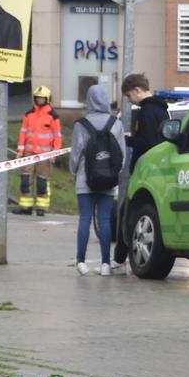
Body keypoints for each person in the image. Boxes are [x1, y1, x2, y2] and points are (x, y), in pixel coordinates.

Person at [117, 74, 170, 268]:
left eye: (129, 96)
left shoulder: (146, 112)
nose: (130, 100)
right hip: (160, 169)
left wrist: (127, 140)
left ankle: (119, 258)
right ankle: (122, 257)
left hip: (145, 169)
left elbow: (147, 141)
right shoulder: (163, 110)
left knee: (127, 213)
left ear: (137, 91)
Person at [71, 83, 124, 275]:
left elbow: (75, 154)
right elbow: (122, 155)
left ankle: (81, 263)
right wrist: (114, 173)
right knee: (104, 221)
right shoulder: (116, 124)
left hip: (85, 178)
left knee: (84, 219)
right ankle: (105, 264)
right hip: (108, 179)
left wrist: (74, 173)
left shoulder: (80, 124)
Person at [16, 85, 62, 217]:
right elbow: (23, 133)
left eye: (42, 98)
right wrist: (20, 149)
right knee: (26, 180)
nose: (40, 100)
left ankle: (41, 208)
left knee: (42, 182)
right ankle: (26, 207)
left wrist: (55, 152)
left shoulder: (53, 116)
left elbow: (57, 136)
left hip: (45, 155)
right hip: (29, 153)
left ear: (47, 99)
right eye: (38, 98)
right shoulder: (29, 114)